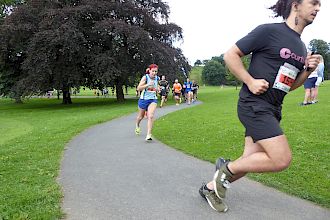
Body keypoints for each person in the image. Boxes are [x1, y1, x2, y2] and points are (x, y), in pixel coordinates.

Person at [199, 0, 321, 213]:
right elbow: (231, 55)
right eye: (313, 3)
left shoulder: (301, 47)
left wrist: (307, 71)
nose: (318, 8)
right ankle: (224, 168)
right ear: (295, 5)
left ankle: (209, 188)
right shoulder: (268, 31)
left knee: (249, 161)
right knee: (281, 158)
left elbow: (289, 87)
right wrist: (250, 80)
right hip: (254, 105)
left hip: (274, 108)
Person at [135, 64, 160, 141]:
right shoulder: (145, 77)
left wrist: (158, 89)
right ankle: (137, 125)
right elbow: (138, 88)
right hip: (143, 100)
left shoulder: (157, 78)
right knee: (140, 117)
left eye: (156, 71)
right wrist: (147, 85)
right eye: (153, 71)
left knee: (151, 116)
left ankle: (149, 134)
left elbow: (157, 87)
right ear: (149, 70)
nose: (154, 73)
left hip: (153, 99)